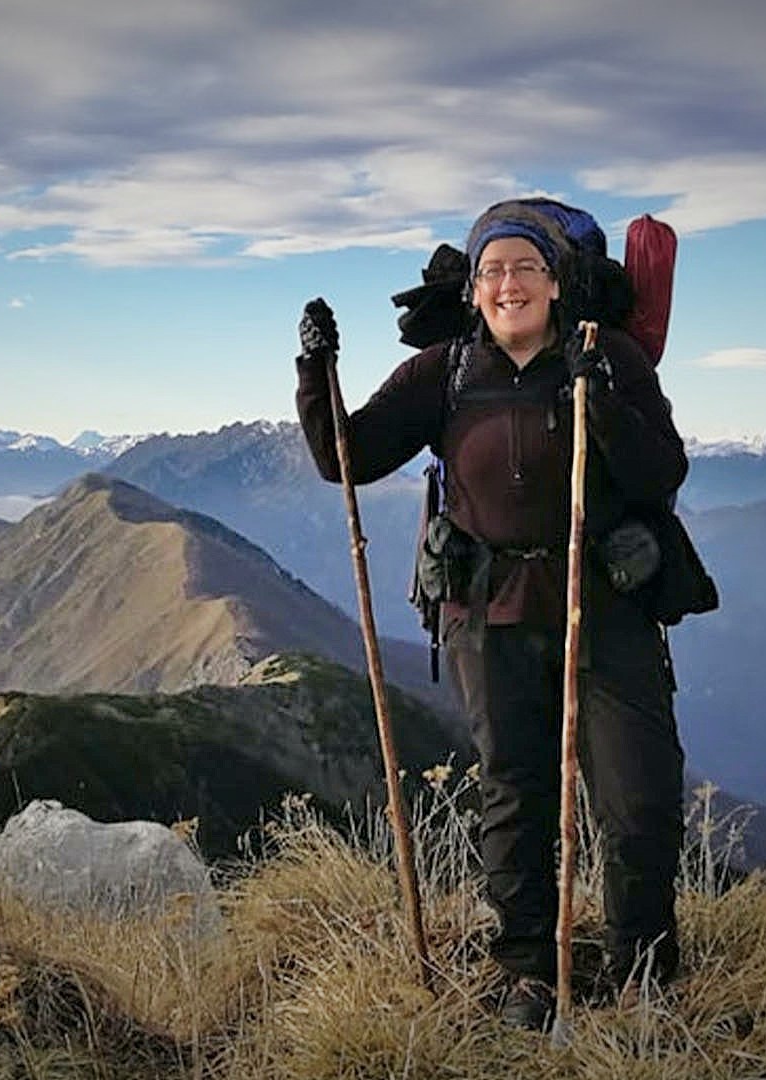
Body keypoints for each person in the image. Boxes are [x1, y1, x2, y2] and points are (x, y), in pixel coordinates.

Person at [293, 199, 689, 1031]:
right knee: (515, 792)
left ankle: (642, 971)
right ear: (472, 289)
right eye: (493, 271)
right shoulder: (447, 371)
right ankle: (527, 973)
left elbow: (661, 473)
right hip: (488, 609)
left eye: (526, 268)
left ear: (556, 281)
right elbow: (348, 459)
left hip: (605, 605)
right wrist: (314, 374)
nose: (509, 284)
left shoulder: (606, 355)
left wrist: (604, 404)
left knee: (638, 795)